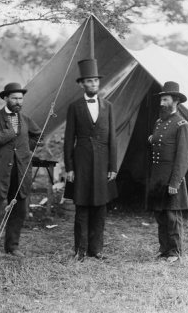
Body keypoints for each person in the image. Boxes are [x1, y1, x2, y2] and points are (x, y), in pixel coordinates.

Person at [0, 83, 42, 263]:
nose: (18, 101)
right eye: (14, 98)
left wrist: (25, 150)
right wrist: (10, 132)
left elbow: (38, 135)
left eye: (20, 98)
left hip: (21, 172)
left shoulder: (26, 119)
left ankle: (12, 247)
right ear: (6, 98)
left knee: (19, 211)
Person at [64, 59, 118, 262]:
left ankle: (96, 250)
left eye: (96, 81)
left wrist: (113, 166)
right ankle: (80, 250)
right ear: (82, 84)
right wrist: (69, 167)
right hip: (82, 164)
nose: (94, 84)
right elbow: (69, 139)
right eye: (89, 81)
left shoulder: (108, 106)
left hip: (103, 164)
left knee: (100, 209)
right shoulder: (74, 107)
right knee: (82, 208)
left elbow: (113, 138)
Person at [148, 81, 188, 263]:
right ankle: (164, 249)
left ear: (175, 101)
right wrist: (152, 139)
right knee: (160, 214)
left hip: (172, 177)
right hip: (158, 177)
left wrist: (175, 182)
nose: (161, 103)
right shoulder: (159, 122)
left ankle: (175, 252)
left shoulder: (182, 124)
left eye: (165, 99)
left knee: (172, 216)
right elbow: (160, 144)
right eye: (161, 99)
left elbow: (184, 157)